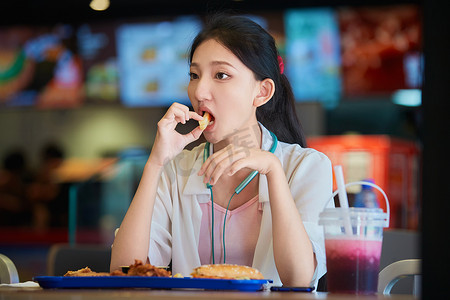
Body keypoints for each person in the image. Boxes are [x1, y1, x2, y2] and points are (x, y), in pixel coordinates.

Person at [110, 14, 333, 288]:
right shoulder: (175, 170)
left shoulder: (307, 167)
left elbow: (298, 279)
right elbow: (123, 271)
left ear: (262, 92)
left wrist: (273, 171)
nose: (200, 91)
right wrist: (156, 163)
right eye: (194, 75)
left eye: (221, 75)